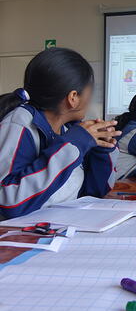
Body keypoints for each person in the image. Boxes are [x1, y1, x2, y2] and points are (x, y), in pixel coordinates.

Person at [0, 48, 120, 219]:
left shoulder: (69, 129)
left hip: (64, 226)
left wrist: (102, 150)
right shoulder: (19, 125)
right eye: (90, 92)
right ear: (73, 97)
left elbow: (93, 193)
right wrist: (73, 145)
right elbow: (8, 202)